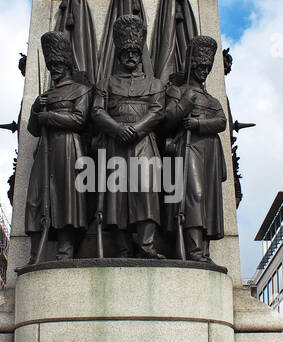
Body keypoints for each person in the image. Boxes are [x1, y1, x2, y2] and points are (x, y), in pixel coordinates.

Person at [90, 15, 166, 259]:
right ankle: (122, 248)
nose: (131, 56)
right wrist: (117, 129)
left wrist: (136, 129)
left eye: (135, 52)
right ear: (119, 55)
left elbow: (157, 111)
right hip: (115, 143)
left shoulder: (154, 84)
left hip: (144, 143)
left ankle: (147, 246)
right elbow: (97, 111)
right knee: (117, 197)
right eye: (126, 52)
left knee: (147, 192)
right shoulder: (106, 83)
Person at [25, 30, 92, 262]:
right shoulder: (45, 95)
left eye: (58, 64)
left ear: (67, 65)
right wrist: (36, 109)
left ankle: (65, 252)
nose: (54, 69)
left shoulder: (80, 90)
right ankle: (35, 255)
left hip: (68, 149)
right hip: (44, 151)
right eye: (51, 64)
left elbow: (79, 119)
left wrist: (49, 116)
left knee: (66, 198)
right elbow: (33, 129)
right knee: (36, 198)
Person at [163, 35, 227, 261]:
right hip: (188, 148)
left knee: (208, 199)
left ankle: (205, 251)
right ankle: (194, 250)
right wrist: (184, 106)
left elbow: (222, 122)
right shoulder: (177, 92)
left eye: (207, 67)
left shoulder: (212, 99)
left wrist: (198, 123)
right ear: (192, 64)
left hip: (209, 149)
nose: (204, 70)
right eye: (200, 66)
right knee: (195, 194)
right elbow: (168, 120)